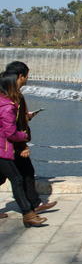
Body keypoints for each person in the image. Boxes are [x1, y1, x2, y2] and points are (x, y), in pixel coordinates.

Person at [5, 61, 57, 215]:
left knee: (24, 172)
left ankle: (34, 204)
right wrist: (22, 144)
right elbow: (10, 126)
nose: (28, 79)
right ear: (20, 76)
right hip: (10, 144)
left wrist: (26, 117)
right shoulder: (11, 96)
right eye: (27, 76)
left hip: (11, 142)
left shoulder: (11, 93)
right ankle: (30, 211)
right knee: (20, 176)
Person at [0, 72, 47, 228]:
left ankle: (30, 211)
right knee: (17, 179)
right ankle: (28, 214)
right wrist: (23, 136)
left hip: (3, 147)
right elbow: (10, 133)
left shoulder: (4, 103)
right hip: (2, 149)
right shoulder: (7, 107)